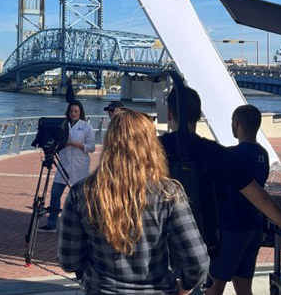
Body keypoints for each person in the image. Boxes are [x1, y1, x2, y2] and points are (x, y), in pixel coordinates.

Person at [58, 109, 209, 294]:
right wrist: (183, 288)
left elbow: (68, 260)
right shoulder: (168, 193)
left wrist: (89, 276)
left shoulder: (81, 192)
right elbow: (198, 261)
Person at [159, 87, 281, 261]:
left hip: (160, 243)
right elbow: (259, 197)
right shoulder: (217, 153)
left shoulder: (151, 150)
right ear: (198, 115)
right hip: (203, 243)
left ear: (169, 114)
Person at [206, 105, 270, 295]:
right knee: (244, 287)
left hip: (231, 228)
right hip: (253, 227)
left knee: (214, 287)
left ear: (236, 123)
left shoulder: (232, 155)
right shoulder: (263, 154)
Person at [39, 100, 96, 233]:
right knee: (54, 194)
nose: (73, 113)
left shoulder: (86, 127)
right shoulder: (63, 125)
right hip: (63, 165)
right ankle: (52, 223)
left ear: (80, 112)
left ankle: (83, 224)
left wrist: (78, 145)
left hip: (79, 166)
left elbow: (92, 147)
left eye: (76, 111)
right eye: (71, 111)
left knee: (81, 197)